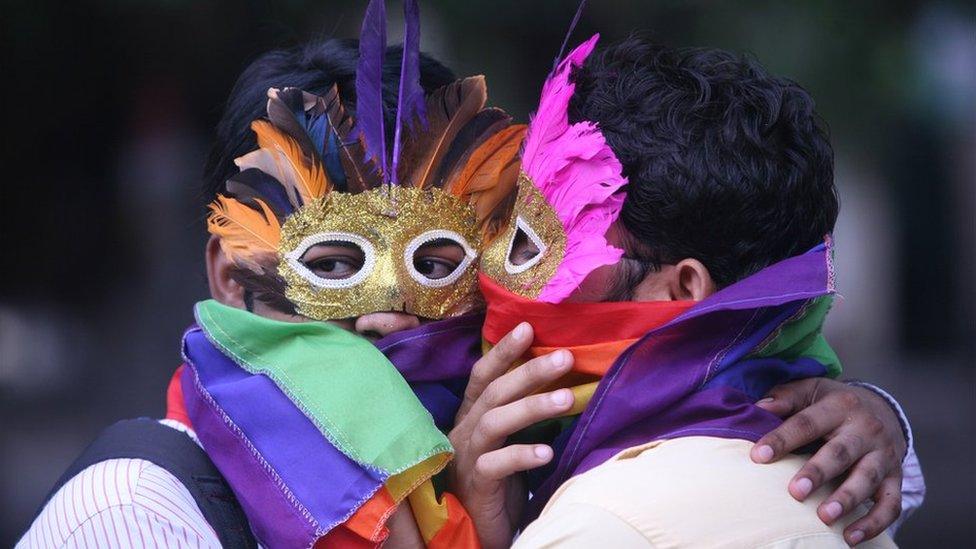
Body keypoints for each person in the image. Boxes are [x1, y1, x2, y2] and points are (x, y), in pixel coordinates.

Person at [17, 7, 920, 549]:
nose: (386, 317)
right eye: (331, 265)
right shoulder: (135, 512)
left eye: (437, 263)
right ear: (227, 273)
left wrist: (873, 417)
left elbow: (729, 439)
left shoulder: (515, 421)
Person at [448, 34, 924, 548]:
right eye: (506, 231)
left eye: (535, 246)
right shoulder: (846, 478)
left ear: (679, 289)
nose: (494, 270)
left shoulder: (602, 523)